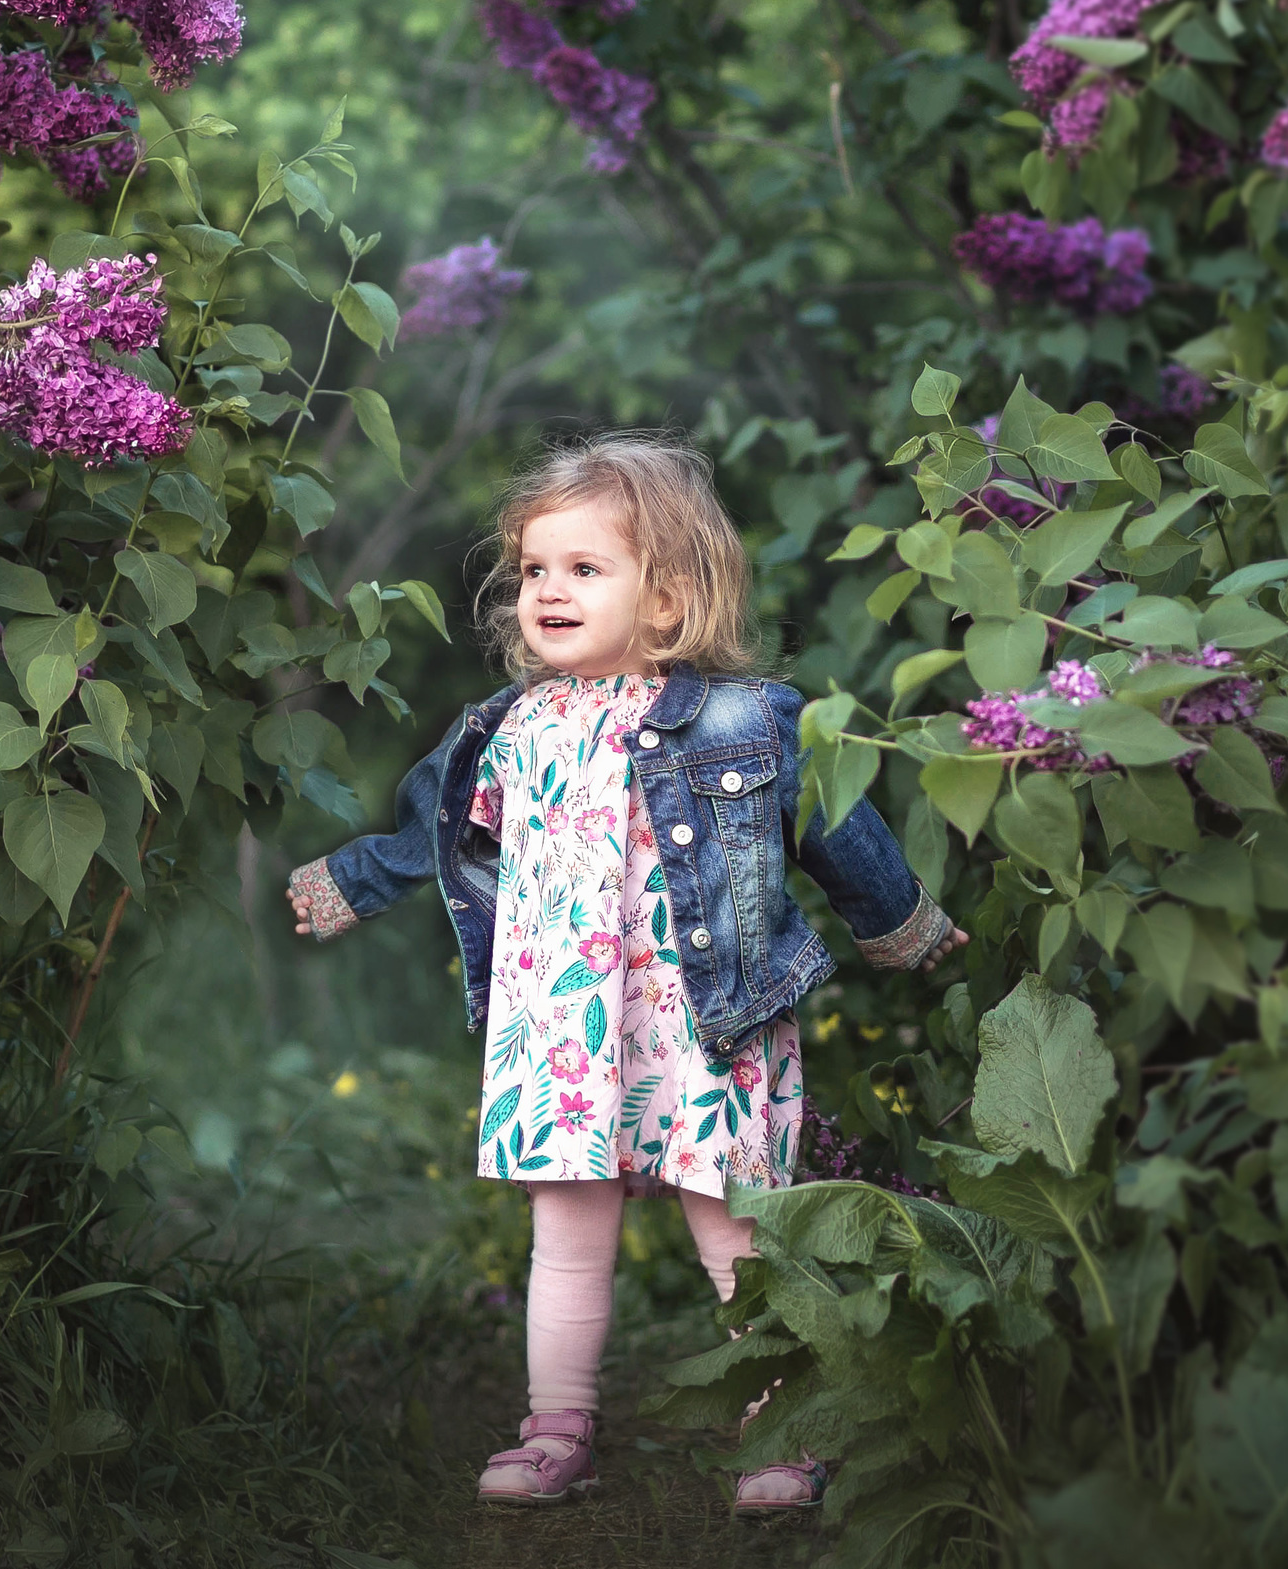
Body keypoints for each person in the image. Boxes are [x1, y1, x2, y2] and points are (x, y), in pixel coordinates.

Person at [286, 432, 965, 1512]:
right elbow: (432, 831)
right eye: (533, 569)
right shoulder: (508, 727)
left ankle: (787, 1429)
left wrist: (901, 923)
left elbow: (833, 824)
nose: (546, 590)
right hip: (561, 1026)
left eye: (583, 567)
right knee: (564, 1234)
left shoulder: (744, 718)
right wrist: (352, 881)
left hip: (704, 1017)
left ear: (667, 597)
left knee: (737, 1228)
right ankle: (555, 1428)